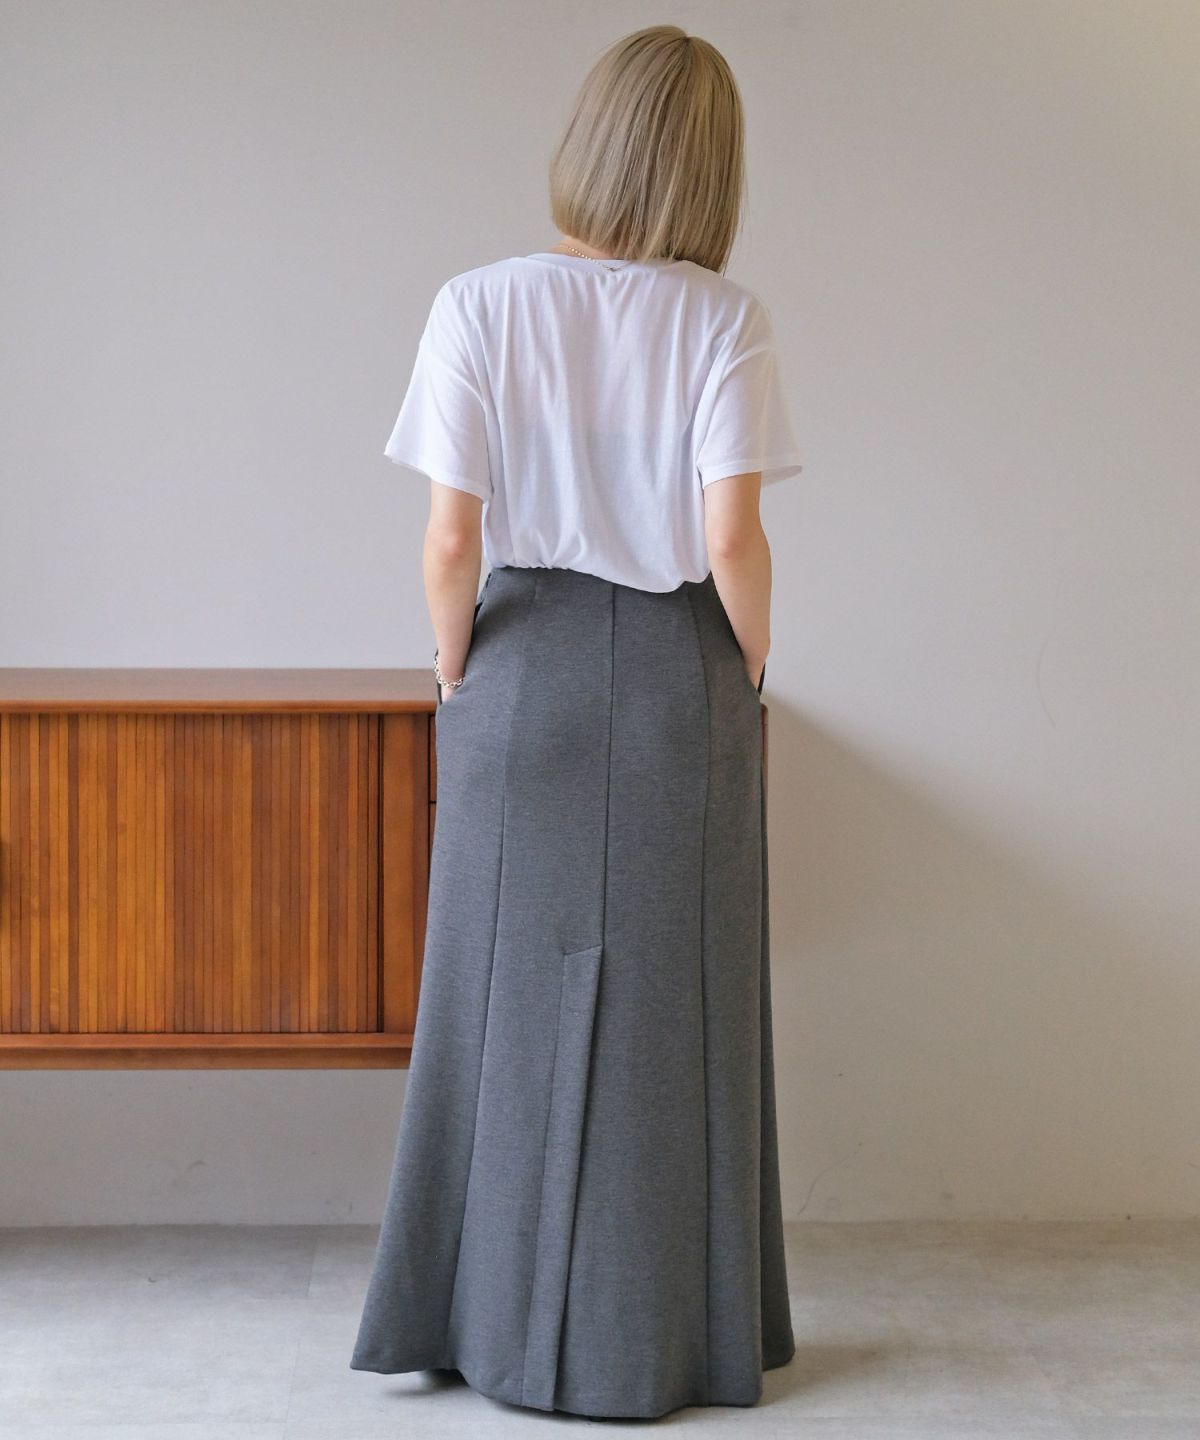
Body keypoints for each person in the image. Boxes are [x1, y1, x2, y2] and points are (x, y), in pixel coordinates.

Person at [350, 23, 803, 1421]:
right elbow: (730, 537)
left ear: (588, 143)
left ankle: (467, 1326)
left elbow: (450, 539)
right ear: (712, 171)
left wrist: (454, 670)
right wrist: (750, 665)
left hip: (519, 665)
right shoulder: (725, 319)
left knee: (488, 1003)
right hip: (679, 671)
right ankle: (688, 1343)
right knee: (684, 1010)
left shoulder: (477, 304)